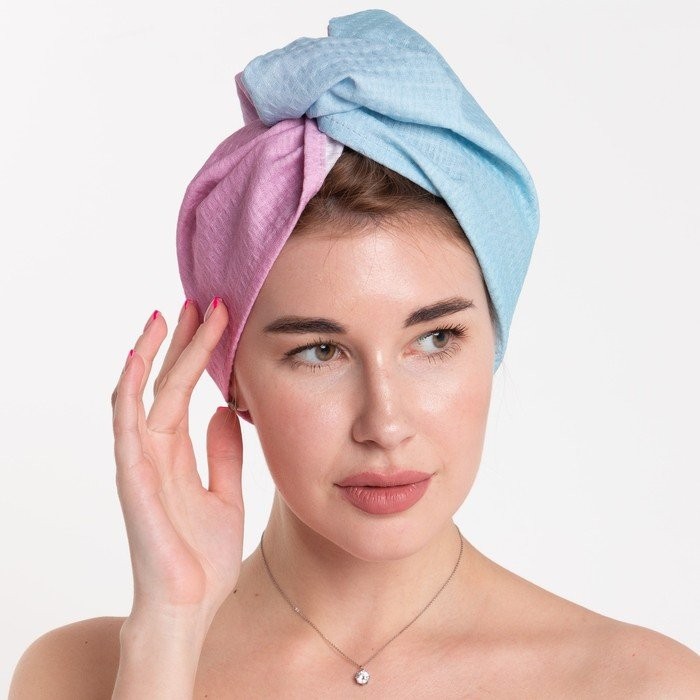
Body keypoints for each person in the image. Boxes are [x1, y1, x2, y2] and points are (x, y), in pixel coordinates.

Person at [9, 9, 699, 698]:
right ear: (229, 374)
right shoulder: (76, 677)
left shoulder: (643, 685)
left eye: (435, 339)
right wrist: (168, 634)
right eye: (320, 351)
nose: (385, 423)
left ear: (493, 338)